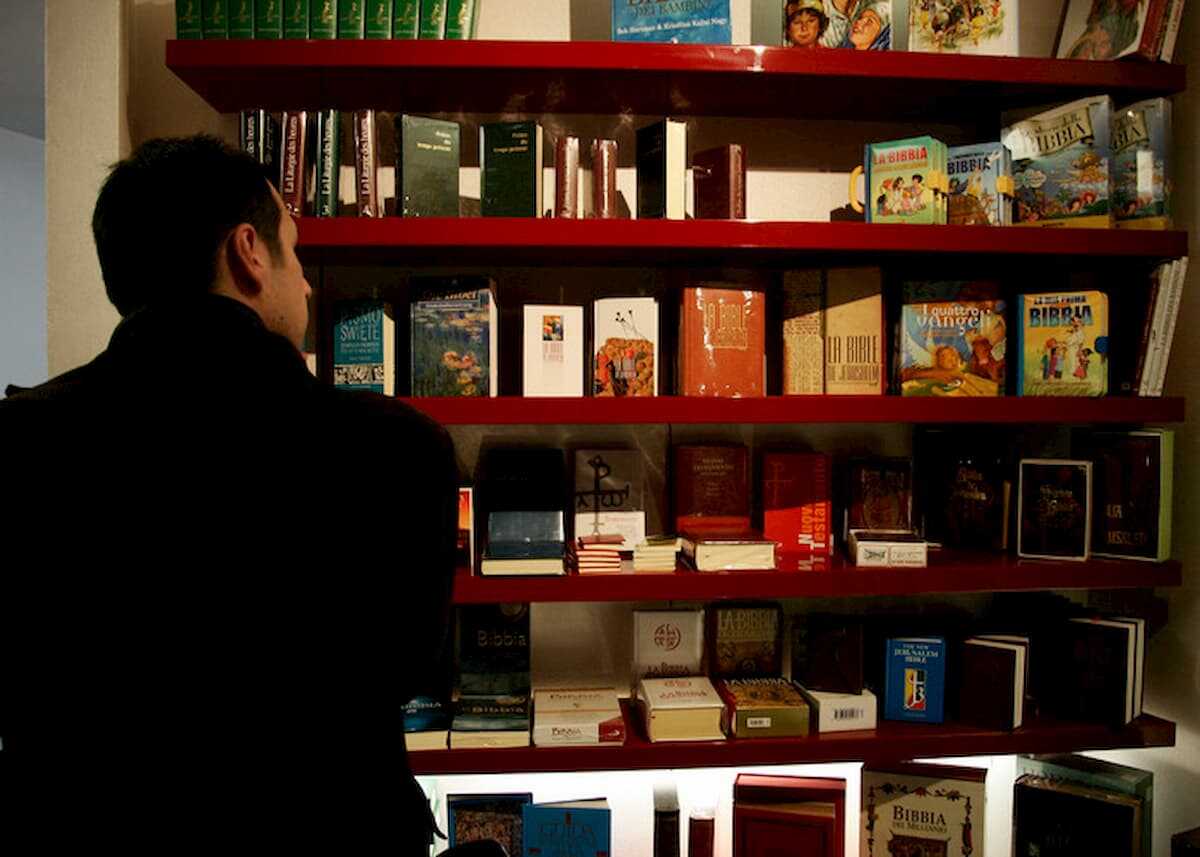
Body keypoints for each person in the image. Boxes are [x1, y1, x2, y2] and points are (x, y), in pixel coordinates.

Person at [0, 135, 459, 853]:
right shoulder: (397, 448)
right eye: (295, 253)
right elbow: (408, 669)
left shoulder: (15, 442)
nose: (306, 285)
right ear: (248, 252)